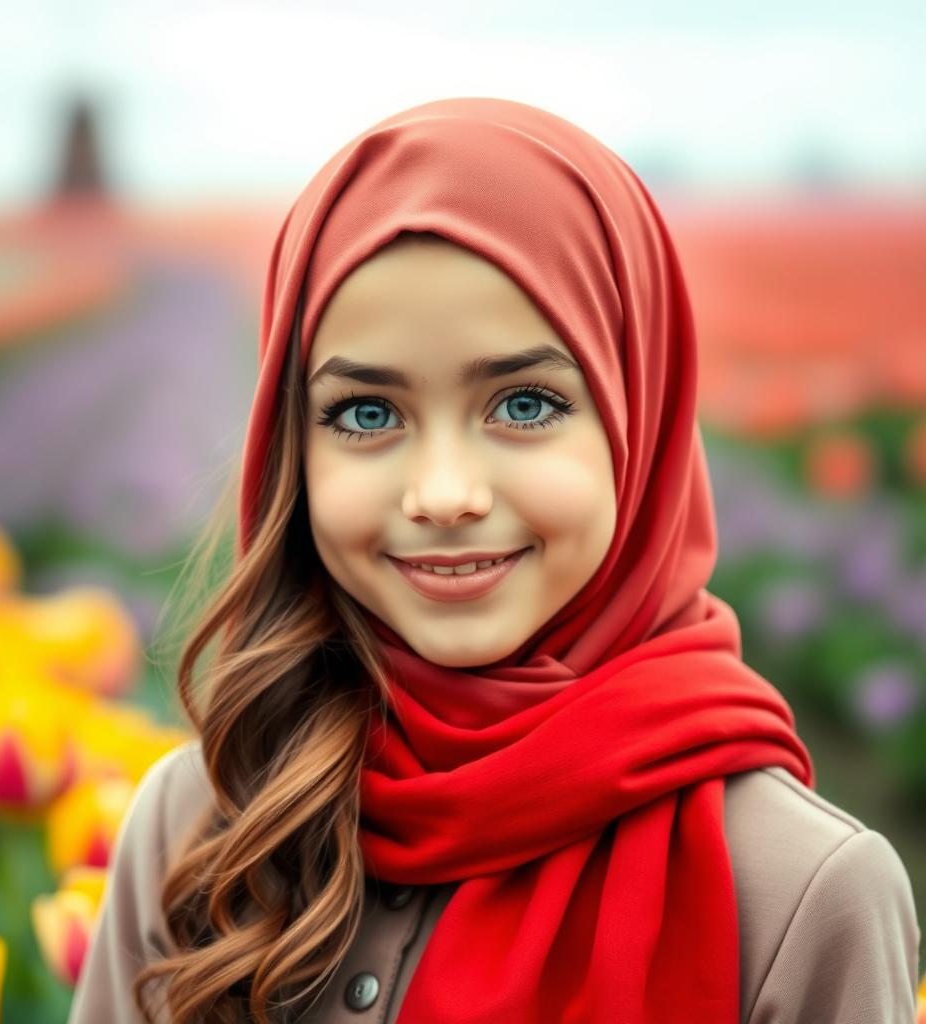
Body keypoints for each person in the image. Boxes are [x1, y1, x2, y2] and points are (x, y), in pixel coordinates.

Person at [68, 97, 921, 1023]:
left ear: (641, 418)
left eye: (522, 404)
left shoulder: (800, 896)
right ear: (292, 449)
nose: (442, 493)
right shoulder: (202, 825)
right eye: (366, 413)